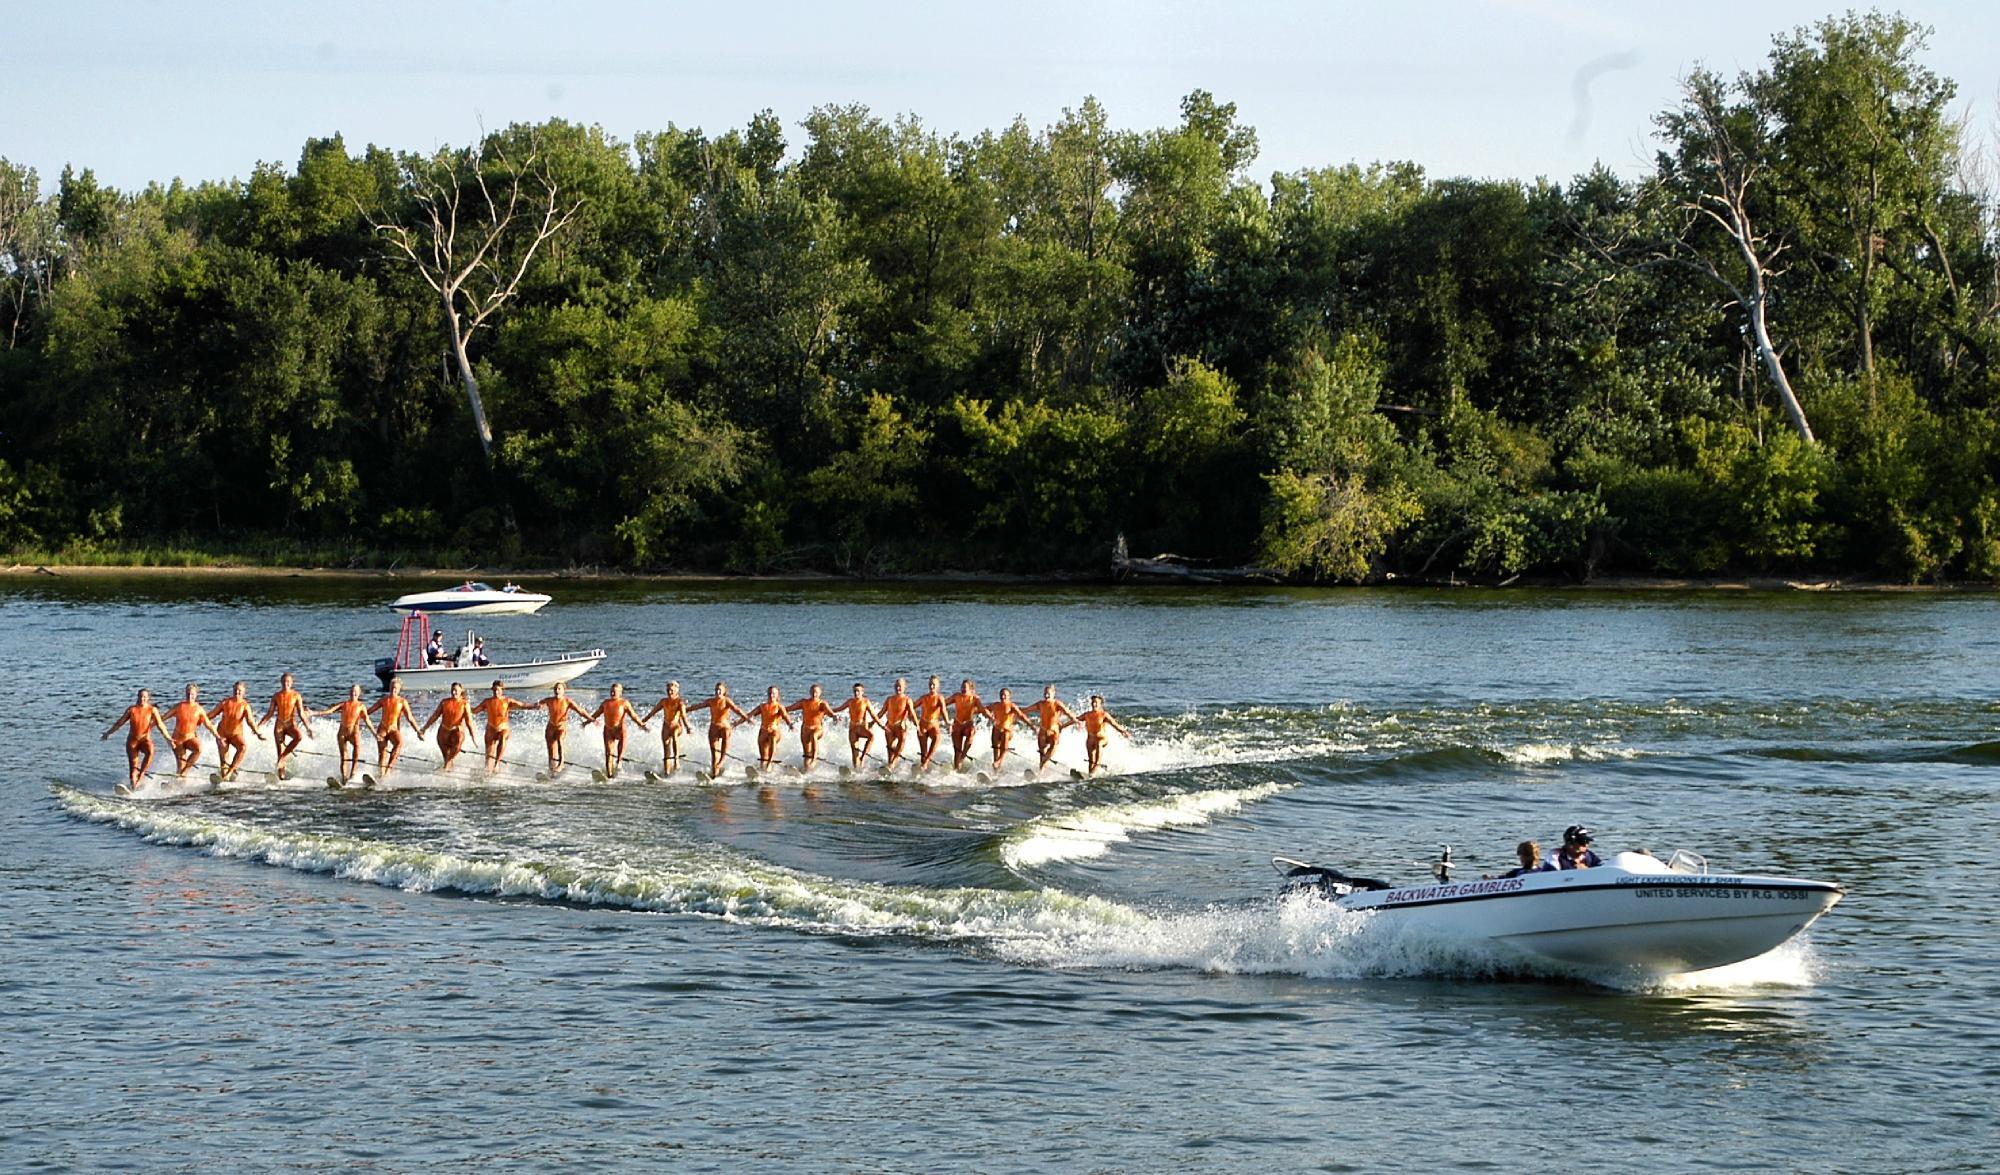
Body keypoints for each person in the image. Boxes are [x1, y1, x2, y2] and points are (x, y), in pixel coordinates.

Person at [103, 688, 170, 789]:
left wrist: (168, 738)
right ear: (137, 697)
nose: (142, 699)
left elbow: (160, 725)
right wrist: (108, 733)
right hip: (132, 741)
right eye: (140, 696)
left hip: (145, 740)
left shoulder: (152, 710)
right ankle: (133, 787)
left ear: (148, 698)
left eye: (144, 697)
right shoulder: (132, 709)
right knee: (133, 768)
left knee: (150, 751)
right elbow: (120, 723)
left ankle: (141, 775)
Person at [311, 685, 372, 783]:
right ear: (349, 692)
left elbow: (367, 720)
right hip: (342, 733)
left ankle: (353, 774)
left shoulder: (361, 706)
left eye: (355, 691)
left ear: (359, 693)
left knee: (356, 751)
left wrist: (374, 733)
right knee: (344, 757)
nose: (353, 693)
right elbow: (329, 711)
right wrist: (313, 713)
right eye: (352, 691)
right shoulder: (344, 704)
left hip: (354, 733)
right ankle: (344, 778)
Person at [259, 673, 313, 780]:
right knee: (279, 751)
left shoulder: (296, 695)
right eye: (284, 681)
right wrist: (259, 725)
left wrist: (308, 728)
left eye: (288, 681)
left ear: (291, 683)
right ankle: (281, 776)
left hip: (291, 724)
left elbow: (301, 713)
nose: (286, 683)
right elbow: (270, 713)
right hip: (279, 725)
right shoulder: (276, 696)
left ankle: (284, 757)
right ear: (281, 682)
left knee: (299, 737)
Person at [537, 680, 595, 776]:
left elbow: (580, 711)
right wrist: (537, 706)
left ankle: (561, 764)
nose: (557, 691)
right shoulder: (549, 700)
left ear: (564, 690)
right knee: (551, 751)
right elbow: (537, 704)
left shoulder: (568, 701)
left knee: (560, 740)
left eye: (559, 689)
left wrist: (591, 719)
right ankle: (552, 770)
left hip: (561, 727)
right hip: (550, 727)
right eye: (555, 689)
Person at [212, 681, 267, 782]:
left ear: (244, 692)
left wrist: (257, 733)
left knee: (243, 747)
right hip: (222, 733)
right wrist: (198, 721)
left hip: (235, 734)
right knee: (224, 756)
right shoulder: (225, 703)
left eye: (239, 691)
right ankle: (224, 774)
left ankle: (231, 771)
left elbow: (250, 721)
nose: (237, 692)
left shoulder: (245, 706)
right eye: (235, 690)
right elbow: (212, 714)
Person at [474, 681, 534, 773]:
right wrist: (465, 707)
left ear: (502, 690)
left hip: (503, 728)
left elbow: (522, 705)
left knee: (503, 737)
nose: (496, 692)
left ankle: (497, 763)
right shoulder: (487, 701)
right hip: (491, 729)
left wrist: (535, 705)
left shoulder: (507, 701)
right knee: (489, 757)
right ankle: (488, 772)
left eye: (498, 690)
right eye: (494, 690)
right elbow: (474, 711)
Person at [165, 683, 221, 779]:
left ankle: (184, 773)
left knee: (198, 749)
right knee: (181, 765)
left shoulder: (199, 709)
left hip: (190, 738)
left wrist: (218, 736)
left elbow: (208, 724)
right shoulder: (179, 707)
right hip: (177, 739)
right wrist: (151, 725)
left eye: (192, 694)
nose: (189, 696)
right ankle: (176, 783)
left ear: (196, 695)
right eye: (188, 694)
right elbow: (163, 718)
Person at [1064, 695, 1131, 776]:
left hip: (1102, 739)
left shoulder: (1104, 715)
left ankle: (1094, 770)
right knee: (1091, 761)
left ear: (1100, 704)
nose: (1094, 704)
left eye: (1096, 702)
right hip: (1090, 740)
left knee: (1098, 746)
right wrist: (1062, 726)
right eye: (1093, 702)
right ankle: (1090, 775)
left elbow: (1114, 724)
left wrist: (1123, 731)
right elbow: (1075, 720)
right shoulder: (1087, 715)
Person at [693, 682, 750, 777]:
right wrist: (686, 710)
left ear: (724, 691)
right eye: (716, 690)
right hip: (714, 728)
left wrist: (747, 718)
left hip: (724, 727)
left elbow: (737, 710)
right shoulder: (711, 701)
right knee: (714, 755)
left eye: (720, 690)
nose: (717, 691)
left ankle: (722, 761)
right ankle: (714, 774)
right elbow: (698, 706)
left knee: (726, 732)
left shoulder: (727, 701)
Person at [593, 683, 648, 777]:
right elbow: (597, 713)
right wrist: (588, 720)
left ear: (620, 693)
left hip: (620, 729)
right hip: (608, 730)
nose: (612, 693)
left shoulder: (624, 703)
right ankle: (609, 775)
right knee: (609, 754)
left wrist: (641, 724)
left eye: (615, 691)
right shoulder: (605, 703)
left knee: (621, 744)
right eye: (611, 691)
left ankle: (619, 761)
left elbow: (633, 715)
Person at [369, 677, 421, 775]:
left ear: (399, 689)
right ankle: (381, 773)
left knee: (399, 743)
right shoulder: (384, 700)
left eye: (396, 688)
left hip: (394, 729)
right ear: (389, 688)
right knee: (382, 753)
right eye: (392, 687)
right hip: (383, 729)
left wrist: (418, 731)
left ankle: (388, 770)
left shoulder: (402, 701)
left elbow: (410, 718)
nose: (394, 690)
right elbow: (369, 711)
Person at [421, 682, 478, 771]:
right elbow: (435, 716)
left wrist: (473, 737)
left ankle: (446, 768)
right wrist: (424, 728)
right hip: (444, 732)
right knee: (446, 757)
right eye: (452, 690)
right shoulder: (444, 702)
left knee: (451, 756)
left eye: (456, 690)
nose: (453, 692)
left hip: (456, 732)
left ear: (461, 691)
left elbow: (469, 722)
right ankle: (448, 770)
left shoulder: (464, 703)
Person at [640, 682, 694, 774]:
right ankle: (667, 772)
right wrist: (642, 721)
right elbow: (653, 712)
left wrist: (687, 727)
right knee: (666, 750)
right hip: (666, 726)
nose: (669, 692)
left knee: (675, 735)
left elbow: (684, 716)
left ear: (677, 691)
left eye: (672, 690)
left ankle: (676, 760)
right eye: (668, 690)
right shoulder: (663, 701)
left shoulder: (680, 702)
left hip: (677, 726)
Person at [738, 686, 796, 772]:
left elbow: (786, 716)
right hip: (763, 732)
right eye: (769, 693)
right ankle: (763, 770)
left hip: (775, 732)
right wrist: (736, 723)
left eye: (773, 693)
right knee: (763, 757)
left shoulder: (779, 707)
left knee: (772, 737)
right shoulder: (762, 706)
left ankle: (769, 763)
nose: (771, 695)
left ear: (777, 695)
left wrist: (790, 725)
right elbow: (749, 715)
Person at [787, 683, 836, 772]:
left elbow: (829, 712)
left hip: (818, 729)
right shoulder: (804, 702)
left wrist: (834, 716)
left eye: (816, 692)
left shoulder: (822, 703)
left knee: (814, 736)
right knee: (807, 754)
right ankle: (807, 771)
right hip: (805, 730)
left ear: (820, 693)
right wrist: (779, 710)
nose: (814, 694)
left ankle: (814, 759)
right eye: (813, 692)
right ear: (810, 692)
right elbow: (789, 708)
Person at [1029, 685, 1077, 772]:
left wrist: (1075, 721)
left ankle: (1044, 764)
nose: (1046, 695)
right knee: (1042, 753)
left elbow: (1068, 713)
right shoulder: (1040, 704)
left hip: (1054, 732)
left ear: (1053, 694)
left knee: (1051, 749)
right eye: (1045, 693)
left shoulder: (1057, 704)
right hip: (1043, 731)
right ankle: (1041, 772)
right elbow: (1026, 710)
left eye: (1048, 693)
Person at [836, 683, 882, 770]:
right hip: (853, 729)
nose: (856, 693)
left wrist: (881, 725)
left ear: (862, 692)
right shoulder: (850, 701)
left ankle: (863, 757)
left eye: (858, 691)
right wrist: (826, 711)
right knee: (854, 751)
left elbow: (873, 715)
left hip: (862, 728)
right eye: (854, 691)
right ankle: (856, 770)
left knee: (871, 736)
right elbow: (839, 709)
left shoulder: (865, 701)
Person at [984, 687, 1031, 770]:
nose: (1003, 697)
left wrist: (1032, 726)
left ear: (1009, 696)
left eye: (1005, 695)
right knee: (996, 744)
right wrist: (989, 715)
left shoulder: (1012, 706)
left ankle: (999, 761)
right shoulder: (996, 705)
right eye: (1001, 695)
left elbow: (1022, 716)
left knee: (1005, 734)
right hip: (997, 731)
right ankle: (996, 769)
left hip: (1007, 731)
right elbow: (984, 709)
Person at [877, 678, 917, 772]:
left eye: (900, 686)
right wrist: (872, 722)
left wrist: (918, 725)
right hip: (890, 726)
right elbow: (882, 712)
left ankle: (893, 763)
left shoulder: (907, 700)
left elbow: (912, 714)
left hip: (900, 726)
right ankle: (890, 766)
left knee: (902, 739)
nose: (898, 688)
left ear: (904, 687)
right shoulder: (889, 699)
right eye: (896, 686)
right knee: (890, 748)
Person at [946, 678, 983, 770]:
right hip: (957, 724)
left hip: (968, 724)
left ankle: (963, 756)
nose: (963, 689)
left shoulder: (975, 698)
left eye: (965, 687)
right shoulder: (956, 696)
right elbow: (944, 703)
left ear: (970, 689)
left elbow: (982, 709)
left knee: (971, 732)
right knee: (957, 751)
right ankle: (956, 769)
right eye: (962, 687)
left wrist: (990, 715)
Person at [914, 676, 949, 772]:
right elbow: (912, 707)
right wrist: (912, 719)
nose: (931, 686)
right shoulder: (924, 698)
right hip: (923, 725)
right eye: (930, 684)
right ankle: (923, 767)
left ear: (938, 686)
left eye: (934, 684)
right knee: (923, 751)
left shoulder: (940, 698)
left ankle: (927, 761)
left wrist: (947, 722)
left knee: (937, 737)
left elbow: (944, 711)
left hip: (933, 726)